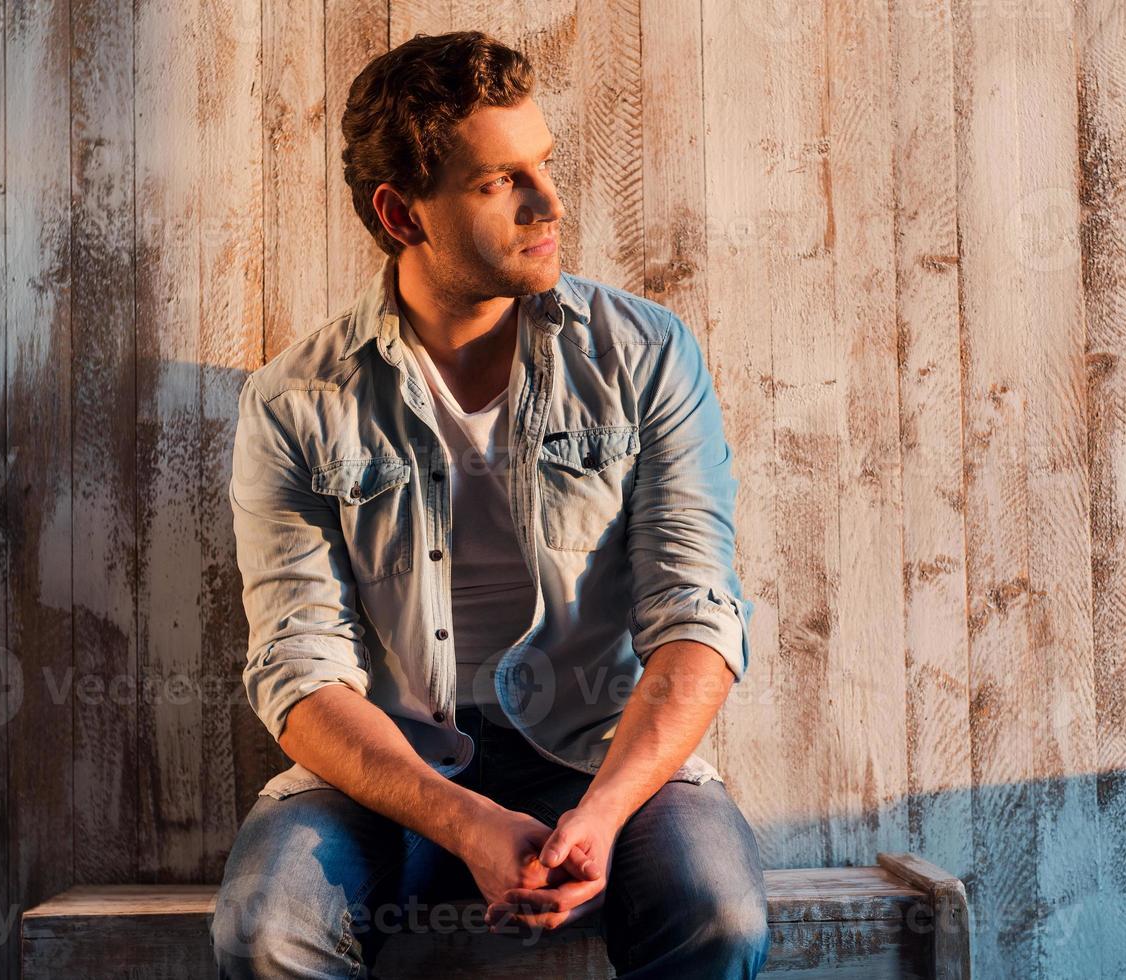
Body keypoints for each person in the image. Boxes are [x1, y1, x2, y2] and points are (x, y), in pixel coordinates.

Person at [212, 29, 769, 979]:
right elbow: (299, 669)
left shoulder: (644, 355)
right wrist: (464, 818)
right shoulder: (294, 401)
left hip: (604, 752)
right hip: (391, 767)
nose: (548, 203)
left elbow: (696, 616)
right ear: (400, 213)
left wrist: (597, 816)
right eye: (496, 182)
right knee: (267, 933)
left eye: (542, 166)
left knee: (717, 919)